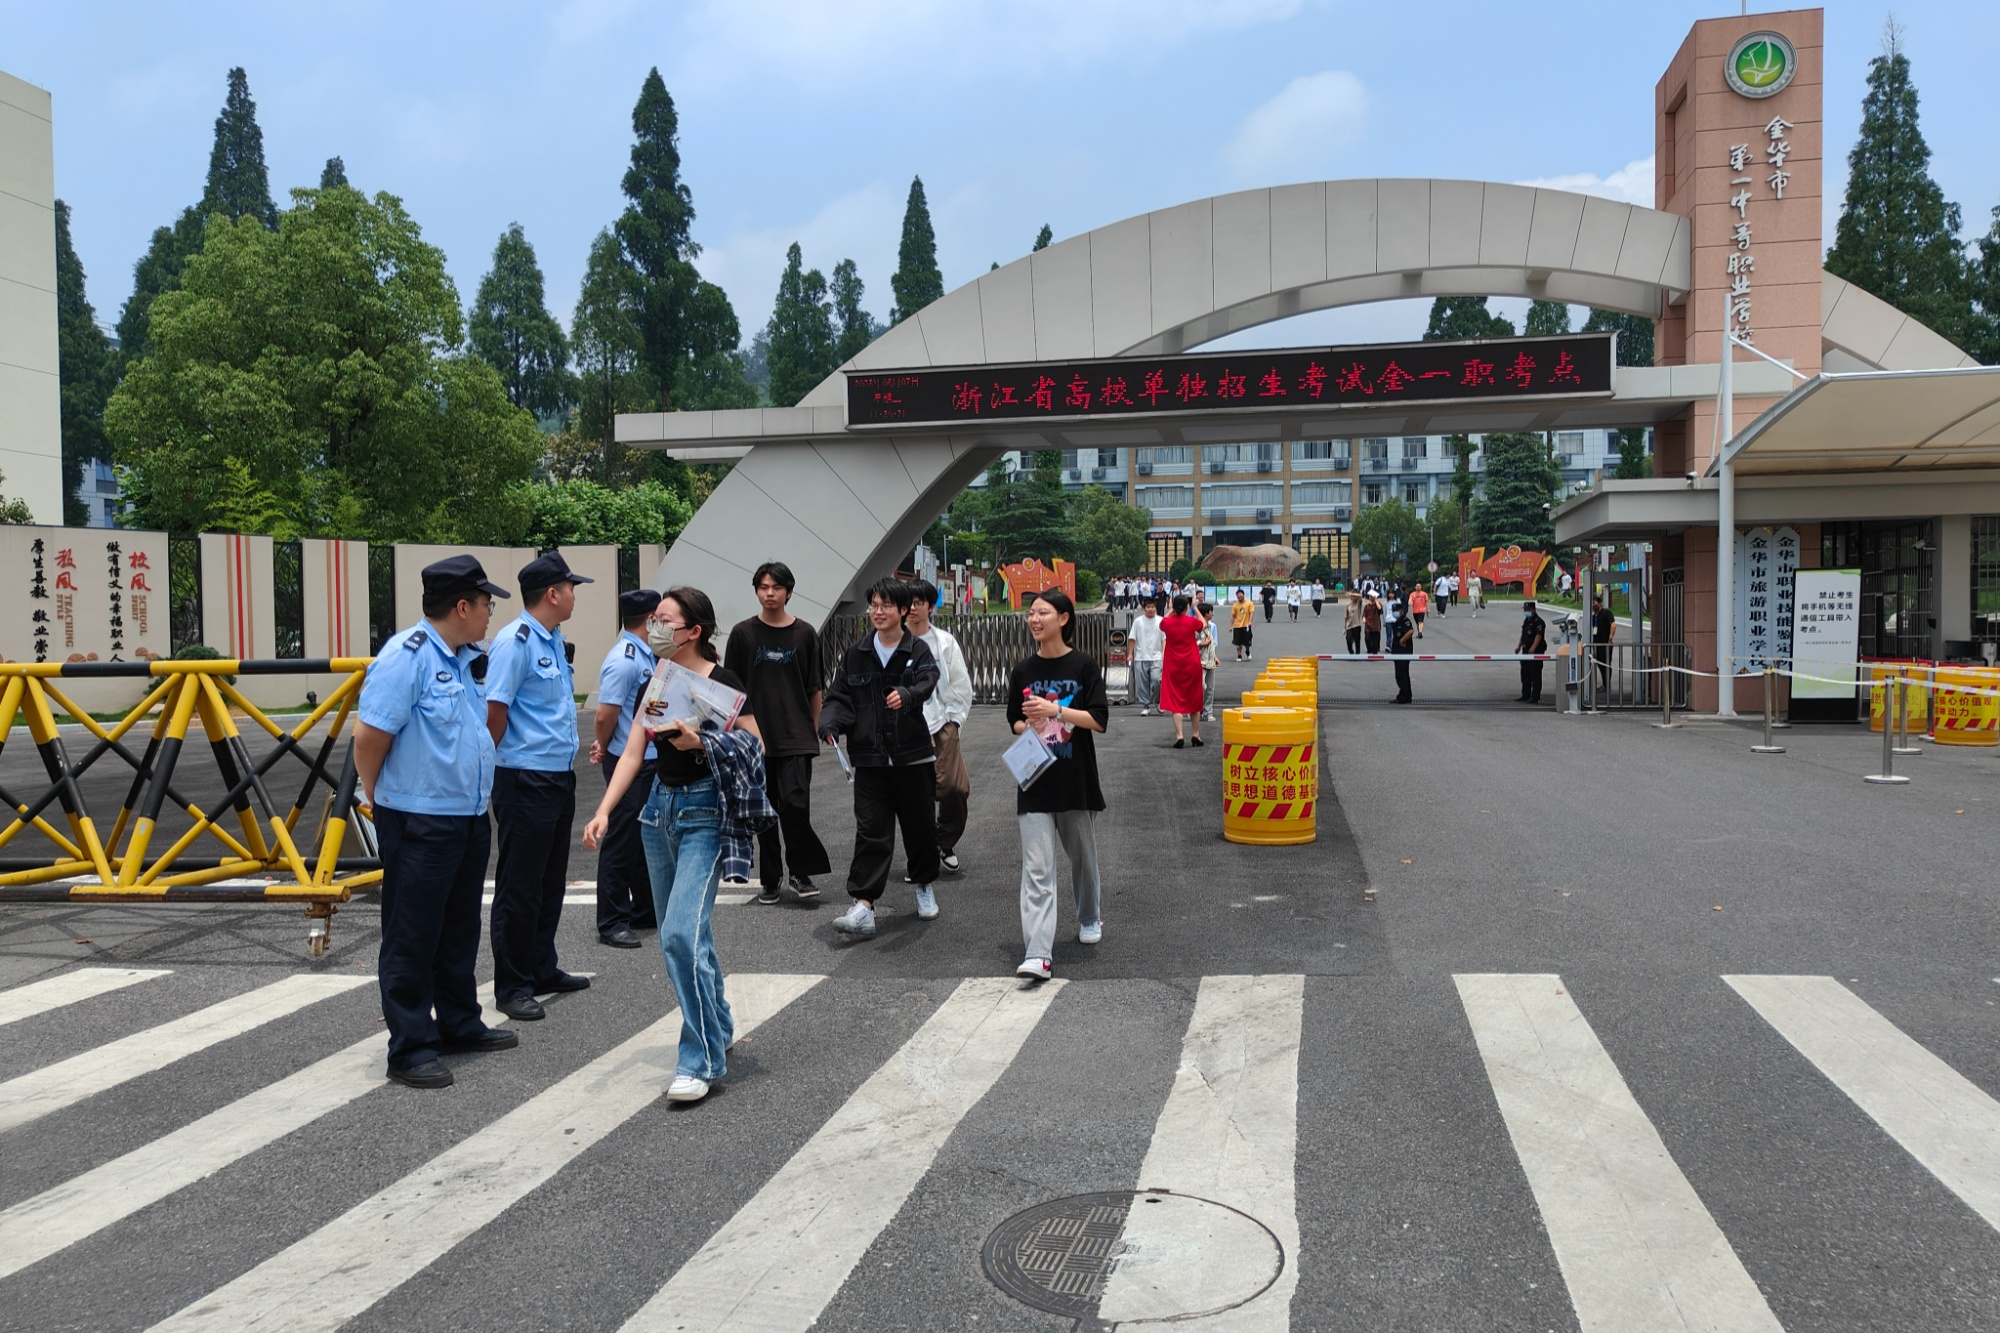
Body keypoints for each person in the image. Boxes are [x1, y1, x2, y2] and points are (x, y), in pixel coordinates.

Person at [583, 586, 765, 1104]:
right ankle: (719, 1022)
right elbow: (633, 752)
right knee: (687, 936)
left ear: (694, 631)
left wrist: (700, 741)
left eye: (664, 620)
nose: (654, 627)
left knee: (680, 936)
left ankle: (700, 1058)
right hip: (657, 813)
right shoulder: (658, 678)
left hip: (705, 815)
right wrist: (603, 811)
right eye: (653, 620)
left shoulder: (723, 682)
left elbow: (757, 746)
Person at [354, 556, 517, 1089]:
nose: (491, 612)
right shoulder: (407, 658)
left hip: (467, 817)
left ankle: (459, 1022)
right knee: (411, 933)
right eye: (487, 602)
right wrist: (381, 798)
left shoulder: (464, 656)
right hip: (420, 819)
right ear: (462, 606)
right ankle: (409, 1045)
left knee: (457, 928)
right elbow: (370, 738)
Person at [484, 551, 593, 1024]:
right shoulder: (517, 641)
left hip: (556, 776)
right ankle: (511, 985)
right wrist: (489, 769)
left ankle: (541, 967)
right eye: (571, 587)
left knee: (549, 881)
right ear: (553, 593)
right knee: (519, 886)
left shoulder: (551, 638)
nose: (574, 595)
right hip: (524, 776)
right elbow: (495, 712)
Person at [818, 578, 942, 938]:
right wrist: (830, 724)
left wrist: (908, 694)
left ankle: (923, 884)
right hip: (869, 759)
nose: (877, 611)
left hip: (912, 757)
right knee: (871, 831)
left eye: (886, 605)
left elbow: (928, 680)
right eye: (873, 604)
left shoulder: (917, 650)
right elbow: (839, 697)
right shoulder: (856, 653)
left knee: (919, 828)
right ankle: (863, 904)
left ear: (904, 610)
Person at [1007, 589, 1108, 981]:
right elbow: (1014, 719)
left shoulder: (1083, 666)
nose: (1034, 619)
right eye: (1031, 614)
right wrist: (1028, 723)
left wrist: (1057, 711)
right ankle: (1038, 953)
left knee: (1082, 857)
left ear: (1063, 618)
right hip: (1033, 779)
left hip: (1074, 779)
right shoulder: (1022, 671)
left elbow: (1098, 719)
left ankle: (1088, 914)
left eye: (1042, 613)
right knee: (1036, 868)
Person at [722, 561, 831, 906]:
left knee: (796, 806)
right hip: (754, 739)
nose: (769, 593)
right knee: (764, 811)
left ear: (788, 591)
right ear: (756, 591)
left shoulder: (804, 634)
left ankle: (800, 871)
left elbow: (815, 688)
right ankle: (770, 879)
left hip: (796, 736)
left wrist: (812, 730)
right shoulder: (743, 634)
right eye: (763, 587)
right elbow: (730, 689)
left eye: (776, 587)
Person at [590, 589, 662, 948]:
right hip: (627, 761)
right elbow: (606, 714)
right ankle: (612, 919)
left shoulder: (647, 655)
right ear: (650, 619)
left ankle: (644, 909)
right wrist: (603, 747)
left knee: (640, 838)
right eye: (660, 617)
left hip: (647, 761)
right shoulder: (625, 660)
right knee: (621, 839)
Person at [907, 579, 972, 876]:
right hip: (906, 723)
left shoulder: (944, 642)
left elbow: (960, 683)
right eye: (907, 601)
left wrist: (954, 720)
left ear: (931, 607)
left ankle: (943, 840)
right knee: (915, 793)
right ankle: (923, 855)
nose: (912, 607)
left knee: (954, 787)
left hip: (942, 720)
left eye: (919, 602)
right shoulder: (890, 640)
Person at [1159, 594, 1206, 747]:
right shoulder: (1191, 622)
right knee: (1193, 697)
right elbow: (1203, 624)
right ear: (1186, 607)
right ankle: (1195, 734)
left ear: (1174, 607)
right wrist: (1195, 607)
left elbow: (1162, 621)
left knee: (1175, 699)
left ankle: (1179, 735)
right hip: (1191, 663)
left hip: (1173, 664)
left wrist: (1171, 609)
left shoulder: (1167, 622)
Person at [1130, 598, 1164, 714]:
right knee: (1142, 684)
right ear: (1144, 608)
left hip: (1157, 657)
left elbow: (1165, 639)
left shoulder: (1161, 621)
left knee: (1156, 680)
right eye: (1148, 607)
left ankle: (1157, 700)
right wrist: (1130, 654)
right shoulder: (1138, 621)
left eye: (1153, 607)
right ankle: (1146, 706)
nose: (1151, 609)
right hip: (1141, 656)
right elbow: (1132, 638)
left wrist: (1164, 652)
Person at [1517, 599, 1549, 703]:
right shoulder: (1527, 621)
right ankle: (1525, 694)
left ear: (1533, 609)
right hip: (1526, 650)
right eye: (1525, 609)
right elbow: (1523, 635)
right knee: (1525, 673)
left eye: (1528, 609)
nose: (1526, 611)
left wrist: (1533, 648)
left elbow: (1538, 635)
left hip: (1536, 651)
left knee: (1535, 674)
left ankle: (1535, 696)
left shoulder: (1538, 622)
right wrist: (1519, 646)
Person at [1196, 599, 1220, 721]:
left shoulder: (1211, 627)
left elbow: (1212, 644)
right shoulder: (1195, 627)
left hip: (1210, 661)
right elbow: (1190, 643)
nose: (1212, 614)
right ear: (1206, 613)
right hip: (1199, 662)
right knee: (1200, 687)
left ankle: (1208, 712)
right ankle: (1196, 710)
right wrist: (1202, 643)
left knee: (1210, 687)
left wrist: (1215, 657)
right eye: (1211, 612)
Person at [1388, 600, 1415, 704]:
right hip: (1397, 652)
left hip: (1404, 652)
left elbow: (1410, 631)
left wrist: (1402, 640)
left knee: (1402, 675)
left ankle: (1404, 696)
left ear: (1401, 611)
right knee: (1400, 675)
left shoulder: (1405, 621)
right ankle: (1405, 695)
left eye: (1396, 610)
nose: (1395, 612)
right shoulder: (1397, 622)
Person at [1591, 594, 1615, 694]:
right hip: (1596, 643)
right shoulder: (1593, 616)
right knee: (1599, 664)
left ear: (1599, 603)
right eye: (1592, 603)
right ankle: (1604, 684)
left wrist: (1610, 638)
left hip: (1605, 643)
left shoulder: (1606, 613)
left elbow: (1613, 624)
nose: (1593, 605)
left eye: (1594, 602)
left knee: (1606, 663)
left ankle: (1607, 685)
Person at [1230, 588, 1256, 661]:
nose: (1240, 598)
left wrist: (1250, 621)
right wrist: (1231, 626)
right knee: (1238, 642)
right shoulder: (1235, 605)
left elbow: (1251, 613)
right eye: (1238, 597)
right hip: (1237, 626)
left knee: (1247, 642)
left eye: (1241, 596)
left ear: (1244, 595)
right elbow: (1233, 616)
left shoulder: (1249, 603)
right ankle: (1239, 655)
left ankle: (1247, 651)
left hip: (1246, 625)